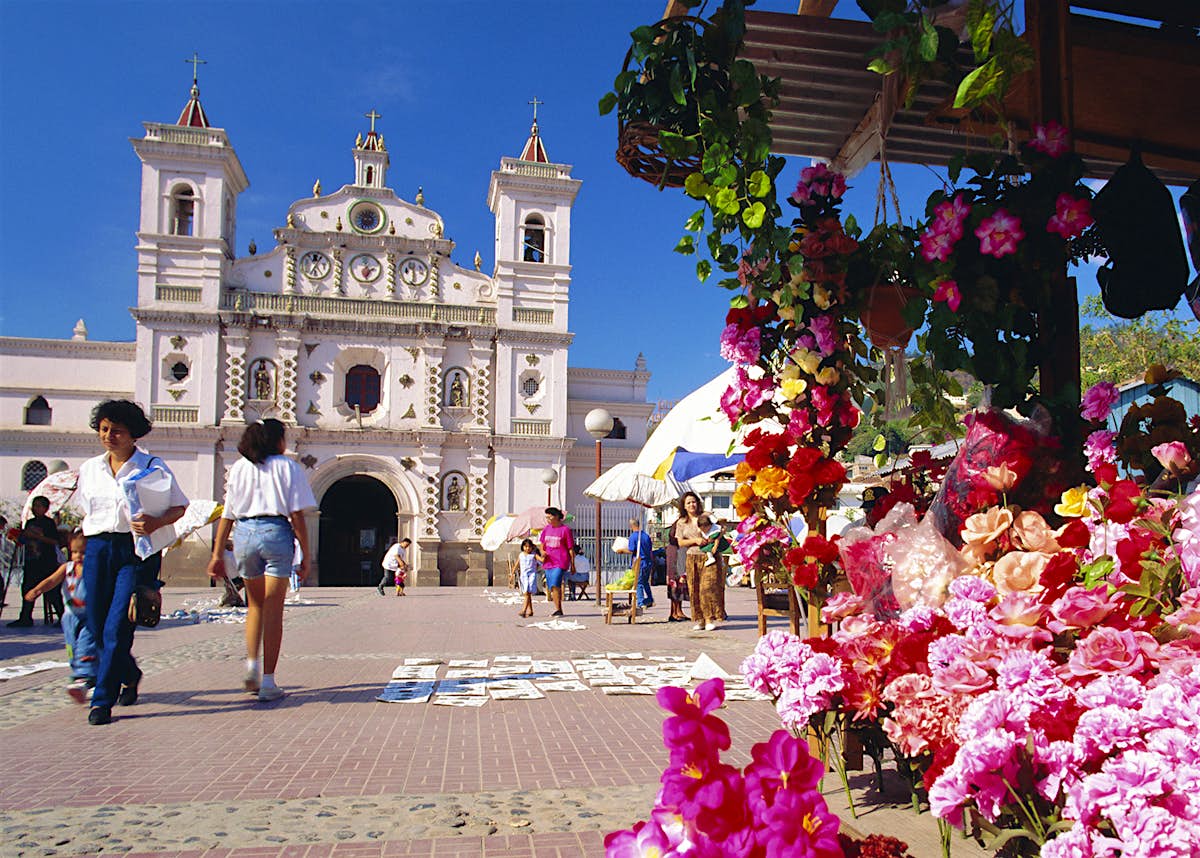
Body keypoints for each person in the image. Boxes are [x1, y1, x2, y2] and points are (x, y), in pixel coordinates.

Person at [78, 399, 188, 725]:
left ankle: (102, 700)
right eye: (105, 429)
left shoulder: (152, 467)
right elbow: (89, 512)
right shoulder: (90, 469)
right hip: (98, 548)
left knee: (117, 625)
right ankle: (129, 672)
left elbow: (179, 507)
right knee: (95, 624)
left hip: (135, 551)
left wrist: (155, 523)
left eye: (118, 431)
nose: (109, 436)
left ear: (133, 435)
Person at [207, 418, 315, 703]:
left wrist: (218, 553)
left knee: (254, 605)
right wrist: (307, 554)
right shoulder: (288, 467)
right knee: (273, 610)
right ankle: (268, 681)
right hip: (275, 532)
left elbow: (227, 514)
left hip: (244, 535)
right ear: (276, 440)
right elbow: (297, 515)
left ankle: (251, 664)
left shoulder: (240, 468)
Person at [24, 530, 96, 702]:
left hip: (90, 617)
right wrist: (37, 590)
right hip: (70, 617)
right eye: (74, 552)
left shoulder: (94, 569)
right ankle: (80, 675)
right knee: (72, 647)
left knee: (86, 646)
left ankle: (85, 677)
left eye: (83, 553)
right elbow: (51, 581)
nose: (78, 556)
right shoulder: (67, 568)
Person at [8, 496, 63, 627]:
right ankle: (25, 617)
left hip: (46, 561)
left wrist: (37, 537)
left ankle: (63, 616)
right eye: (34, 505)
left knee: (51, 591)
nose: (35, 508)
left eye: (39, 506)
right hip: (31, 560)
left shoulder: (48, 523)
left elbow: (55, 541)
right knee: (27, 588)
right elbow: (26, 540)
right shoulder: (30, 522)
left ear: (45, 509)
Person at [674, 491, 721, 631]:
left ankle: (709, 618)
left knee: (707, 587)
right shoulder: (681, 522)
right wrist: (695, 540)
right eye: (688, 503)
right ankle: (700, 619)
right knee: (694, 589)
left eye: (693, 501)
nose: (691, 505)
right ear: (684, 506)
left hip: (709, 557)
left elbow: (719, 530)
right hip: (691, 557)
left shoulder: (706, 517)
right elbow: (680, 542)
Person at [536, 507, 575, 618]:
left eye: (550, 516)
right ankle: (558, 608)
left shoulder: (565, 530)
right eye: (547, 517)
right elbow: (542, 545)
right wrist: (543, 552)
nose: (548, 519)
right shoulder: (546, 529)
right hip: (549, 562)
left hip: (561, 561)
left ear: (557, 516)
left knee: (555, 583)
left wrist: (573, 564)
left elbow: (570, 548)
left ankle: (558, 609)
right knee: (551, 586)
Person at [626, 518, 655, 609]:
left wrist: (621, 550)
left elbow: (631, 549)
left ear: (631, 526)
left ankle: (641, 602)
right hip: (648, 561)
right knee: (645, 582)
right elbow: (650, 549)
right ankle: (650, 599)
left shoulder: (633, 536)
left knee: (638, 583)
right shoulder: (646, 536)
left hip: (639, 562)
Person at [514, 538, 539, 618]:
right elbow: (517, 564)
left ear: (532, 547)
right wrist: (512, 574)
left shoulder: (534, 555)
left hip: (531, 575)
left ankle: (524, 610)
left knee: (527, 593)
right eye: (525, 546)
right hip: (524, 576)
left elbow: (541, 560)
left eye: (529, 547)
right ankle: (530, 610)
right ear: (523, 547)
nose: (527, 548)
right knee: (527, 593)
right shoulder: (521, 555)